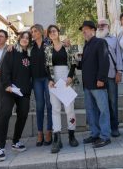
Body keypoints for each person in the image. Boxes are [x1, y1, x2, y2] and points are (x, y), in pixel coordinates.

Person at [0, 31, 33, 162]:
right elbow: (4, 69)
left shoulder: (29, 54)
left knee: (23, 114)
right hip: (9, 89)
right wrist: (7, 85)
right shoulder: (11, 51)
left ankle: (16, 141)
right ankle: (0, 148)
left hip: (23, 92)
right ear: (19, 39)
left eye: (27, 38)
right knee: (4, 114)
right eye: (23, 37)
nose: (25, 39)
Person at [45, 24, 79, 153]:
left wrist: (70, 77)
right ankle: (57, 138)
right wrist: (50, 79)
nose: (53, 33)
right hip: (53, 81)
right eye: (50, 32)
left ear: (58, 32)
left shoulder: (67, 46)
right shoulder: (47, 49)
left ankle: (71, 135)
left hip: (66, 79)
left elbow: (73, 62)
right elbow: (46, 66)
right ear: (48, 35)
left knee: (70, 109)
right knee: (55, 109)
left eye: (54, 31)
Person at [79, 20, 111, 148]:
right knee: (91, 111)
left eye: (85, 29)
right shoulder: (86, 45)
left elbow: (104, 61)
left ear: (93, 30)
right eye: (83, 30)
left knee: (103, 110)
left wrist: (101, 79)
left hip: (98, 84)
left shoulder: (100, 42)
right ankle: (95, 134)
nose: (84, 32)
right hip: (87, 85)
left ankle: (105, 136)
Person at [96, 18, 123, 137]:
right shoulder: (94, 40)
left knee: (113, 102)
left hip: (111, 75)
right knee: (101, 104)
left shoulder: (114, 39)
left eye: (103, 25)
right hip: (97, 78)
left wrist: (119, 71)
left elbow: (118, 56)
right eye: (99, 25)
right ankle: (103, 128)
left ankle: (114, 127)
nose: (101, 26)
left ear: (108, 26)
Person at [30, 24, 53, 146]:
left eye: (35, 31)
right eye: (32, 32)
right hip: (36, 79)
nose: (32, 33)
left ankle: (49, 131)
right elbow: (18, 46)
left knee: (50, 105)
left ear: (40, 32)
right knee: (39, 106)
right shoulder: (30, 46)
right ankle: (40, 132)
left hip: (47, 78)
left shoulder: (49, 43)